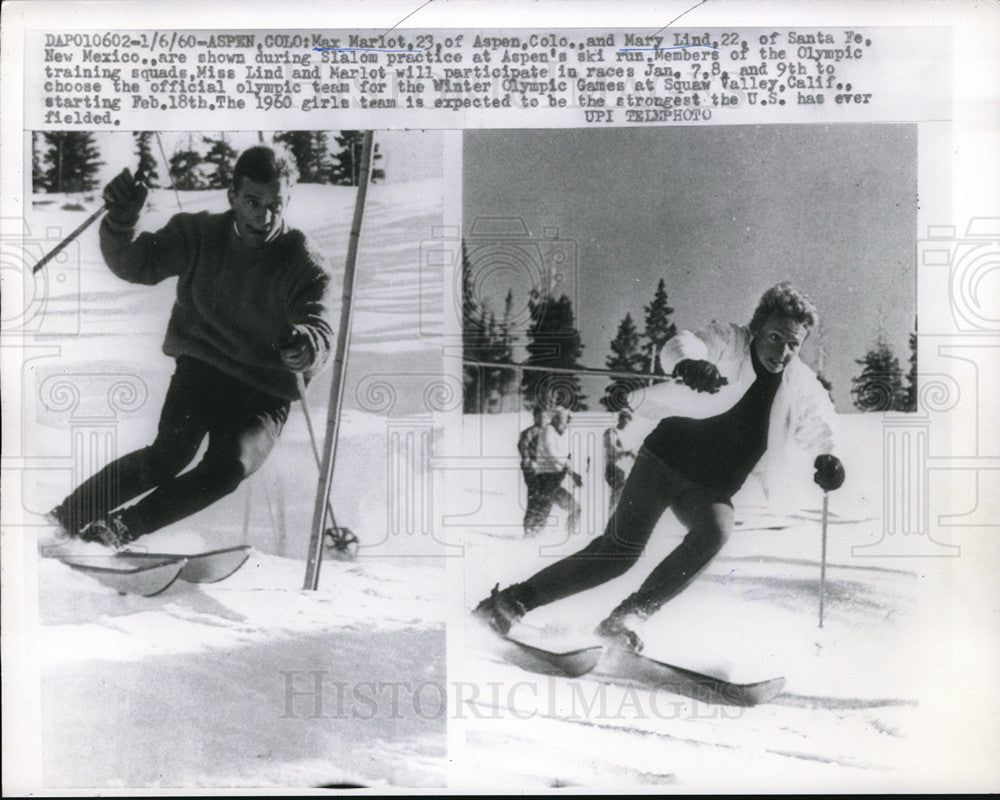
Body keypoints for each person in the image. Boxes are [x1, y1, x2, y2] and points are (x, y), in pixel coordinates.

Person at [475, 283, 846, 650]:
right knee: (617, 554)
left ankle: (626, 618)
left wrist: (829, 457)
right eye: (775, 337)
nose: (782, 351)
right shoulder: (730, 341)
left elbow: (819, 420)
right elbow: (684, 343)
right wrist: (689, 363)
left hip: (711, 488)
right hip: (665, 460)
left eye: (793, 343)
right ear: (759, 328)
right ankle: (509, 603)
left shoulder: (798, 381)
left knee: (716, 531)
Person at [47, 145, 335, 549]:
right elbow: (136, 264)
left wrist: (306, 346)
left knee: (229, 468)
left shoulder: (303, 261)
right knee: (168, 457)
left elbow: (319, 326)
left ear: (288, 200)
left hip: (264, 390)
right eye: (252, 201)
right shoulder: (198, 234)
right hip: (203, 368)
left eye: (275, 205)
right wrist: (121, 218)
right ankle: (65, 518)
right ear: (232, 196)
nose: (264, 216)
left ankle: (118, 530)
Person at [522, 407, 583, 537]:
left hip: (551, 476)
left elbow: (560, 455)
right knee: (539, 503)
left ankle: (533, 532)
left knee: (543, 505)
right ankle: (531, 532)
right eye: (565, 421)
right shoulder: (542, 432)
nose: (566, 425)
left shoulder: (555, 432)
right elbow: (549, 453)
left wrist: (570, 468)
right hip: (540, 475)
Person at [603, 409, 636, 513]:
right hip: (613, 468)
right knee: (620, 491)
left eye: (629, 419)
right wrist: (625, 452)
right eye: (625, 419)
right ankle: (611, 516)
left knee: (624, 493)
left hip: (623, 470)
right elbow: (610, 447)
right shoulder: (611, 432)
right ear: (620, 419)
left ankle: (614, 516)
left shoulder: (626, 436)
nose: (627, 422)